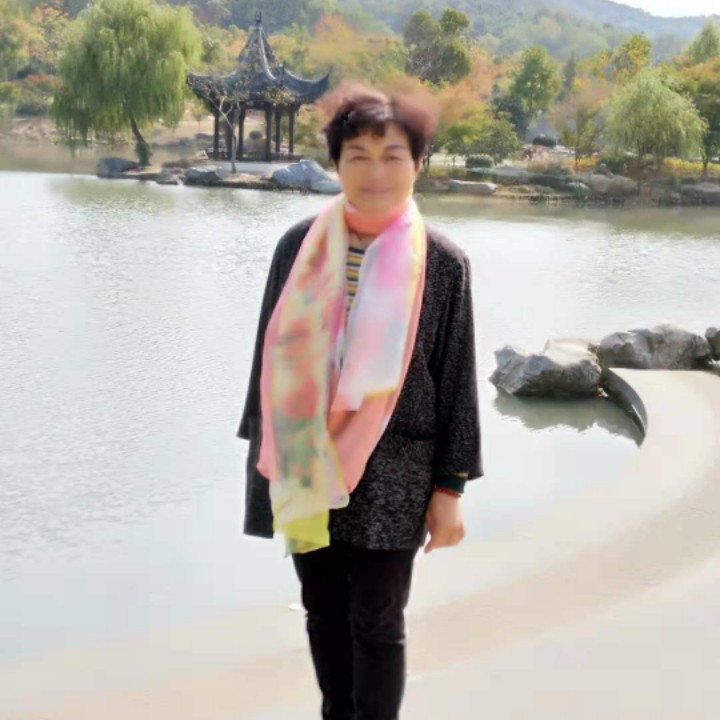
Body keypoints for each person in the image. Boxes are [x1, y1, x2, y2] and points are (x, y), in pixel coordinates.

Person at [237, 85, 482, 720]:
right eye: (358, 156)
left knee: (377, 619)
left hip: (397, 469)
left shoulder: (443, 263)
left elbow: (455, 377)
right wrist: (260, 456)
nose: (376, 172)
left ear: (418, 163)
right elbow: (269, 359)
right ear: (336, 163)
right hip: (303, 456)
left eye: (393, 156)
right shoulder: (298, 246)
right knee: (322, 609)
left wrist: (450, 487)